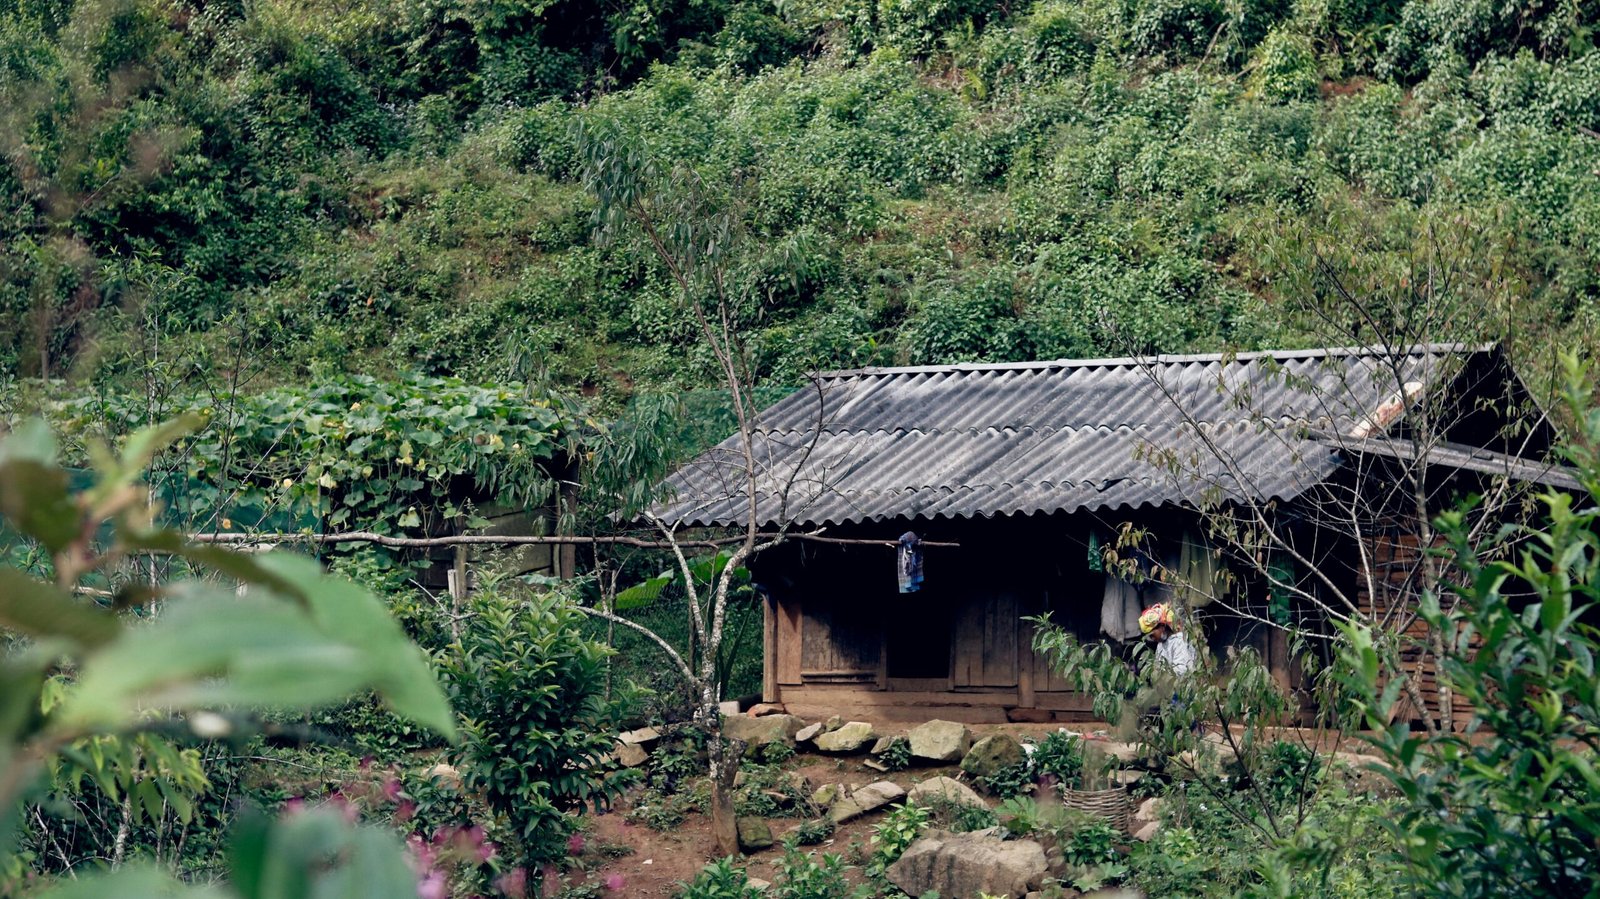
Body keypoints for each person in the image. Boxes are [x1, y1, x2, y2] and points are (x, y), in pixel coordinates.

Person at [1138, 602, 1197, 676]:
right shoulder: (1160, 645)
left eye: (1152, 634)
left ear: (1162, 627)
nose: (1151, 638)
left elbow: (1181, 671)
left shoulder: (1179, 641)